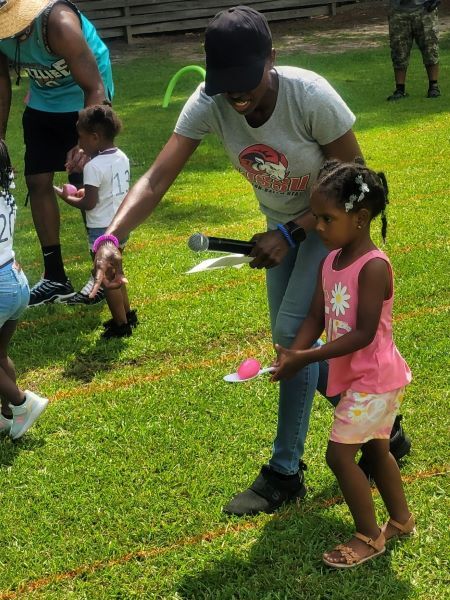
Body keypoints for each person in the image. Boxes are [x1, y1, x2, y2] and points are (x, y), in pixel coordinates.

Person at [90, 6, 411, 515]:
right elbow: (156, 178)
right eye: (226, 84)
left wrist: (293, 229)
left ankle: (285, 472)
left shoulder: (310, 96)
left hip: (326, 233)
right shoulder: (210, 102)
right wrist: (110, 238)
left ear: (272, 60)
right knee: (295, 349)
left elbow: (356, 179)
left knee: (291, 340)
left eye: (247, 81)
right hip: (279, 235)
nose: (238, 96)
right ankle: (383, 429)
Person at [272, 159, 414, 568]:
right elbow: (316, 316)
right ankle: (401, 520)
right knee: (376, 449)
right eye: (316, 217)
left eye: (327, 218)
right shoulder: (330, 260)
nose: (318, 226)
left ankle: (369, 537)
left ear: (360, 218)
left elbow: (363, 333)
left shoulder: (372, 266)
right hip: (362, 377)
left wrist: (309, 356)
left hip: (375, 377)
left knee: (339, 456)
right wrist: (293, 355)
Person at [0, 0, 114, 306]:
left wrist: (86, 143)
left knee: (87, 187)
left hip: (86, 99)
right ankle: (55, 277)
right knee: (37, 182)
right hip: (43, 101)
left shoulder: (60, 24)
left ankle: (100, 271)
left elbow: (95, 86)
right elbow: (0, 82)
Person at [54, 104, 136, 338]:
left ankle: (120, 325)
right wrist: (83, 192)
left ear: (95, 137)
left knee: (106, 278)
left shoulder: (93, 166)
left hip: (101, 229)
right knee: (116, 273)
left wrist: (67, 197)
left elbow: (89, 203)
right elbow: (104, 191)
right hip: (120, 224)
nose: (79, 144)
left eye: (81, 138)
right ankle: (128, 314)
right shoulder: (121, 157)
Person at [0, 139, 48, 439]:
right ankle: (7, 416)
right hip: (17, 281)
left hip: (1, 286)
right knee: (0, 355)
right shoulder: (6, 195)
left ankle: (22, 403)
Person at [387, 0, 440, 101]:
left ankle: (434, 87)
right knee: (399, 50)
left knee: (430, 47)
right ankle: (400, 90)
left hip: (424, 9)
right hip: (398, 11)